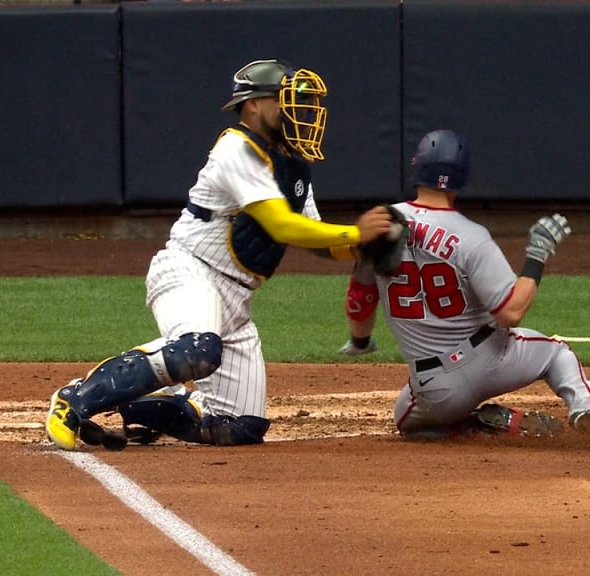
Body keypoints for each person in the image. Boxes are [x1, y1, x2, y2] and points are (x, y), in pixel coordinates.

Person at [45, 58, 394, 450]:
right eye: (283, 99)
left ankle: (141, 407)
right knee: (197, 350)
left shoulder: (293, 164)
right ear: (253, 106)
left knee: (239, 427)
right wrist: (354, 230)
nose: (297, 110)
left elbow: (313, 237)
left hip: (236, 299)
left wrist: (361, 245)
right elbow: (279, 225)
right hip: (190, 272)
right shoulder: (236, 149)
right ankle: (74, 400)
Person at [338, 129, 590, 440]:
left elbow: (361, 298)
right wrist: (537, 255)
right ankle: (584, 409)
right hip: (490, 361)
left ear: (416, 167)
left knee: (407, 419)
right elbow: (511, 313)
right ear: (462, 178)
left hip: (433, 387)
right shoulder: (471, 236)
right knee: (556, 353)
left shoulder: (379, 225)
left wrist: (361, 340)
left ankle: (480, 422)